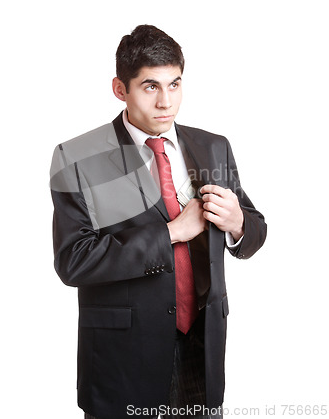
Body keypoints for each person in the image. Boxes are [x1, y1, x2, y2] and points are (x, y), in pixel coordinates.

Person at [50, 25, 267, 419]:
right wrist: (171, 232)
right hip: (124, 359)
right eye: (150, 86)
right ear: (121, 89)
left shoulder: (213, 146)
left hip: (202, 349)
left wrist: (237, 224)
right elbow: (73, 261)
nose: (166, 101)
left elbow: (254, 232)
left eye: (175, 84)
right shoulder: (76, 157)